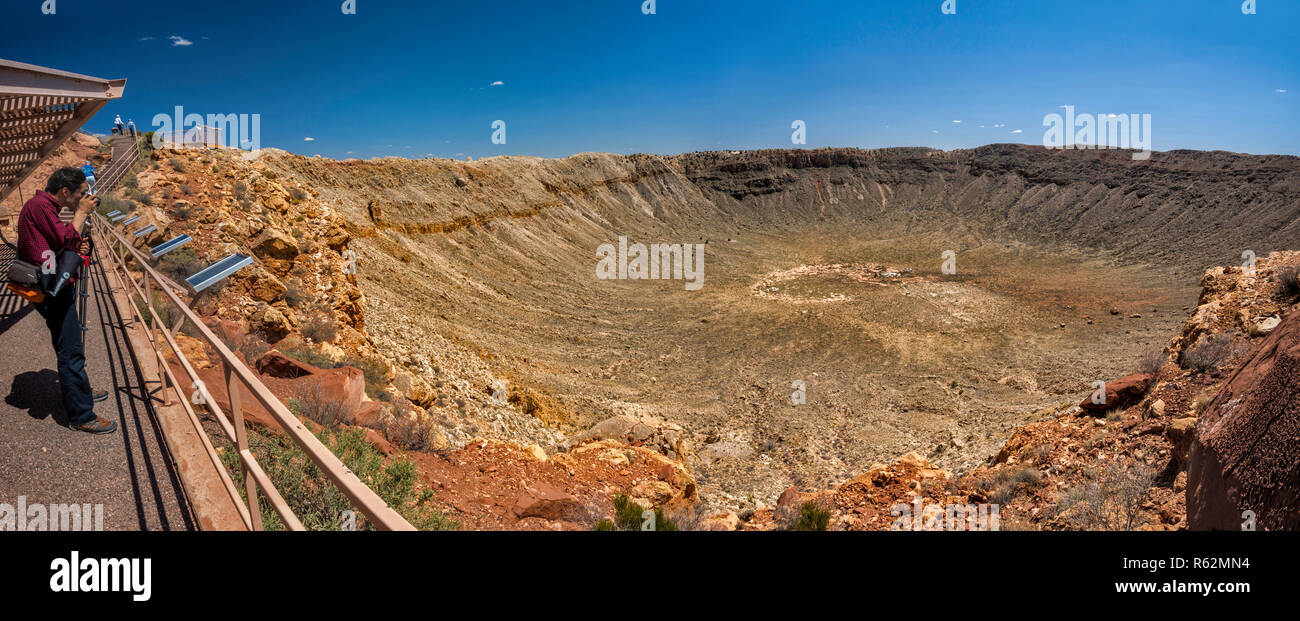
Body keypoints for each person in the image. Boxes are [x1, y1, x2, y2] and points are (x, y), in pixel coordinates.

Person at [16, 167, 116, 434]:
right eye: (82, 194)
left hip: (56, 283)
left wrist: (77, 246)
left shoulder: (48, 207)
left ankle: (80, 389)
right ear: (65, 192)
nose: (85, 198)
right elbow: (63, 238)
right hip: (52, 289)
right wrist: (81, 214)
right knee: (71, 351)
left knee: (70, 346)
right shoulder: (40, 206)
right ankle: (81, 415)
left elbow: (60, 242)